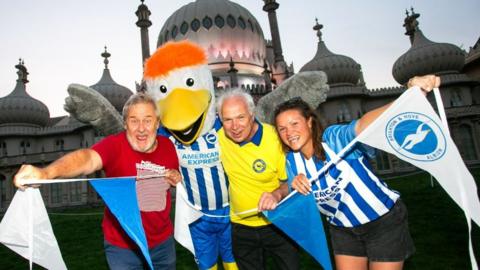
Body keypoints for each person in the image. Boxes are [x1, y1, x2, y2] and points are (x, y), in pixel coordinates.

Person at [269, 75, 440, 270]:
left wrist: (408, 93)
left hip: (382, 221)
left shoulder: (333, 140)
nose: (289, 132)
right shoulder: (291, 161)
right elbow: (289, 186)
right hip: (342, 228)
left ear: (309, 122)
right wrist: (283, 189)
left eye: (294, 124)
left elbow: (363, 125)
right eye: (282, 128)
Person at [13, 93, 182, 270]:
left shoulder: (168, 147)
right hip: (123, 248)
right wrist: (46, 173)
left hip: (162, 243)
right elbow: (86, 159)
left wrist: (174, 177)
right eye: (133, 120)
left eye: (148, 120)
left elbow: (170, 179)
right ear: (125, 124)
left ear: (157, 123)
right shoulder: (114, 145)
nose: (141, 128)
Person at [216, 88, 300, 270]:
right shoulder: (218, 138)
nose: (234, 126)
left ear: (252, 115)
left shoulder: (275, 138)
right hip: (241, 227)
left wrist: (276, 195)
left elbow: (288, 183)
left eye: (240, 117)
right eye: (227, 120)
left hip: (278, 224)